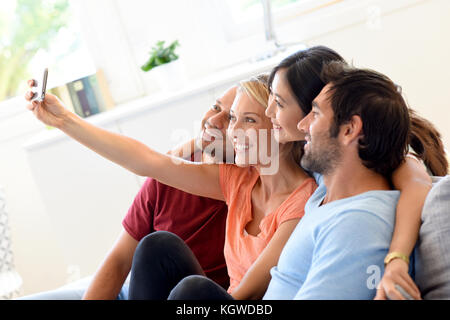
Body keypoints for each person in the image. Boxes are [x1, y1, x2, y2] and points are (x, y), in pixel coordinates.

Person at [25, 74, 317, 300]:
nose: (233, 130)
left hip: (239, 302)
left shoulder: (302, 201)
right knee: (159, 244)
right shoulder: (239, 180)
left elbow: (248, 294)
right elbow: (148, 161)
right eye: (233, 119)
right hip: (208, 296)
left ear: (279, 127)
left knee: (193, 291)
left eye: (248, 120)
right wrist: (65, 120)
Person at [19, 86, 237, 300]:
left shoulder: (245, 184)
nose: (214, 120)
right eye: (215, 106)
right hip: (137, 287)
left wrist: (65, 119)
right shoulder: (167, 175)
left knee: (161, 248)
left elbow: (147, 160)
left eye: (232, 118)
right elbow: (120, 260)